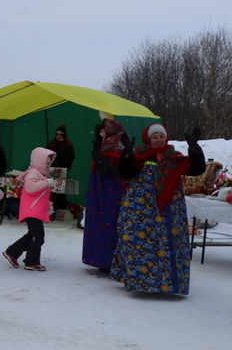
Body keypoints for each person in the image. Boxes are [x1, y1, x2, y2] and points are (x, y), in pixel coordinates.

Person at [110, 123, 205, 295]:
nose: (159, 139)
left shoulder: (174, 157)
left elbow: (197, 169)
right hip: (140, 210)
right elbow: (125, 173)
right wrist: (126, 153)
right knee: (138, 242)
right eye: (155, 137)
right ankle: (140, 283)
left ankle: (168, 284)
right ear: (149, 139)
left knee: (168, 243)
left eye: (161, 136)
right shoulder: (139, 155)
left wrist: (194, 148)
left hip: (169, 210)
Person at [2, 147, 62, 271]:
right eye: (46, 162)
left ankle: (13, 253)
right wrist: (47, 183)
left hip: (35, 210)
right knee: (38, 236)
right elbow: (30, 188)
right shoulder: (34, 172)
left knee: (33, 235)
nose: (48, 164)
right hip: (31, 210)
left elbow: (41, 195)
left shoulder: (40, 173)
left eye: (50, 162)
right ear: (39, 160)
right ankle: (31, 261)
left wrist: (48, 206)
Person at [82, 118, 127, 272]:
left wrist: (98, 156)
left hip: (109, 192)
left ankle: (107, 260)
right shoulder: (106, 144)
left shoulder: (114, 146)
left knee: (107, 223)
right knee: (100, 222)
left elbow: (109, 171)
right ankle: (101, 259)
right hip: (101, 191)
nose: (99, 132)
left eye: (102, 130)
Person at [45, 124, 75, 211]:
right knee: (51, 189)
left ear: (64, 135)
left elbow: (71, 156)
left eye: (60, 134)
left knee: (60, 189)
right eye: (57, 134)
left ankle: (60, 208)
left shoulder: (68, 144)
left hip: (62, 170)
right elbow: (45, 153)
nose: (58, 136)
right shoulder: (51, 143)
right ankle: (50, 208)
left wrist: (65, 166)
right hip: (52, 169)